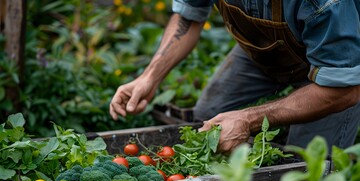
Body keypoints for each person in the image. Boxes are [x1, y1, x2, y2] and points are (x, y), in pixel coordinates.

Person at [110, 0, 360, 153]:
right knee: (207, 120)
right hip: (264, 48)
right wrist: (149, 77)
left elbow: (343, 90)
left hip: (339, 72)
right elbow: (188, 16)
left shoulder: (326, 3)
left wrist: (248, 119)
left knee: (305, 167)